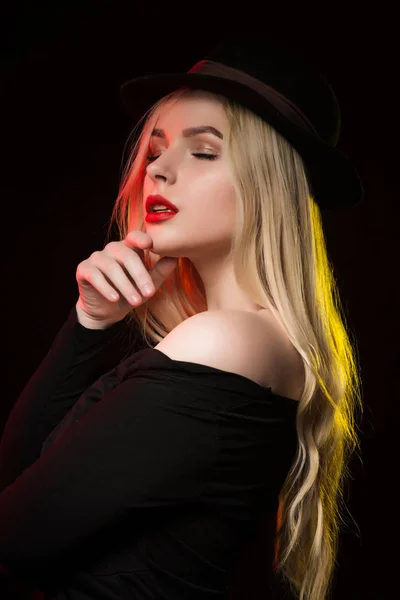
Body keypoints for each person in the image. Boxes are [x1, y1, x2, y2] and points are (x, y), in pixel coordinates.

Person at [0, 32, 364, 600]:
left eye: (203, 150)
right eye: (155, 150)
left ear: (267, 185)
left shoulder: (224, 341)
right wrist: (91, 321)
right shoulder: (253, 343)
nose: (159, 171)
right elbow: (19, 474)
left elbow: (16, 537)